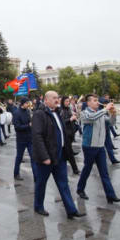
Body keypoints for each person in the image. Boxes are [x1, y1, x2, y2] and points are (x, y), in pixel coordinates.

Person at [32, 91, 85, 220]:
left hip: (60, 155)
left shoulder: (58, 112)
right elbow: (37, 136)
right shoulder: (39, 114)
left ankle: (71, 210)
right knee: (41, 183)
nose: (57, 100)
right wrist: (44, 157)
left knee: (63, 183)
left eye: (57, 98)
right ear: (46, 100)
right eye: (54, 98)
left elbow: (62, 132)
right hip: (47, 157)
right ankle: (38, 206)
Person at [77, 94, 120, 203]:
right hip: (89, 147)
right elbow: (92, 118)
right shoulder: (84, 113)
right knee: (87, 169)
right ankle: (80, 189)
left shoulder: (100, 113)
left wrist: (113, 113)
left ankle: (110, 195)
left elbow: (111, 123)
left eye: (97, 100)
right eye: (94, 100)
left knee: (104, 172)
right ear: (88, 103)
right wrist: (105, 109)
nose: (97, 102)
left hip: (100, 146)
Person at [13, 97, 36, 181]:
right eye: (27, 103)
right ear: (23, 104)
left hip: (29, 138)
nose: (28, 104)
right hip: (21, 139)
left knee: (33, 157)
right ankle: (16, 174)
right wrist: (28, 125)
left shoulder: (27, 111)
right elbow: (17, 127)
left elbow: (30, 122)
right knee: (19, 157)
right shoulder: (16, 113)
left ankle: (36, 176)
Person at [59, 96, 80, 175]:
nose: (68, 103)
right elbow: (62, 122)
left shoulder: (68, 109)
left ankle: (62, 170)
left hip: (70, 134)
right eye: (66, 101)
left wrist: (75, 116)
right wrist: (70, 119)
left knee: (65, 154)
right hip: (65, 135)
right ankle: (75, 169)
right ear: (63, 102)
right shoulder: (61, 110)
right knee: (70, 154)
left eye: (68, 101)